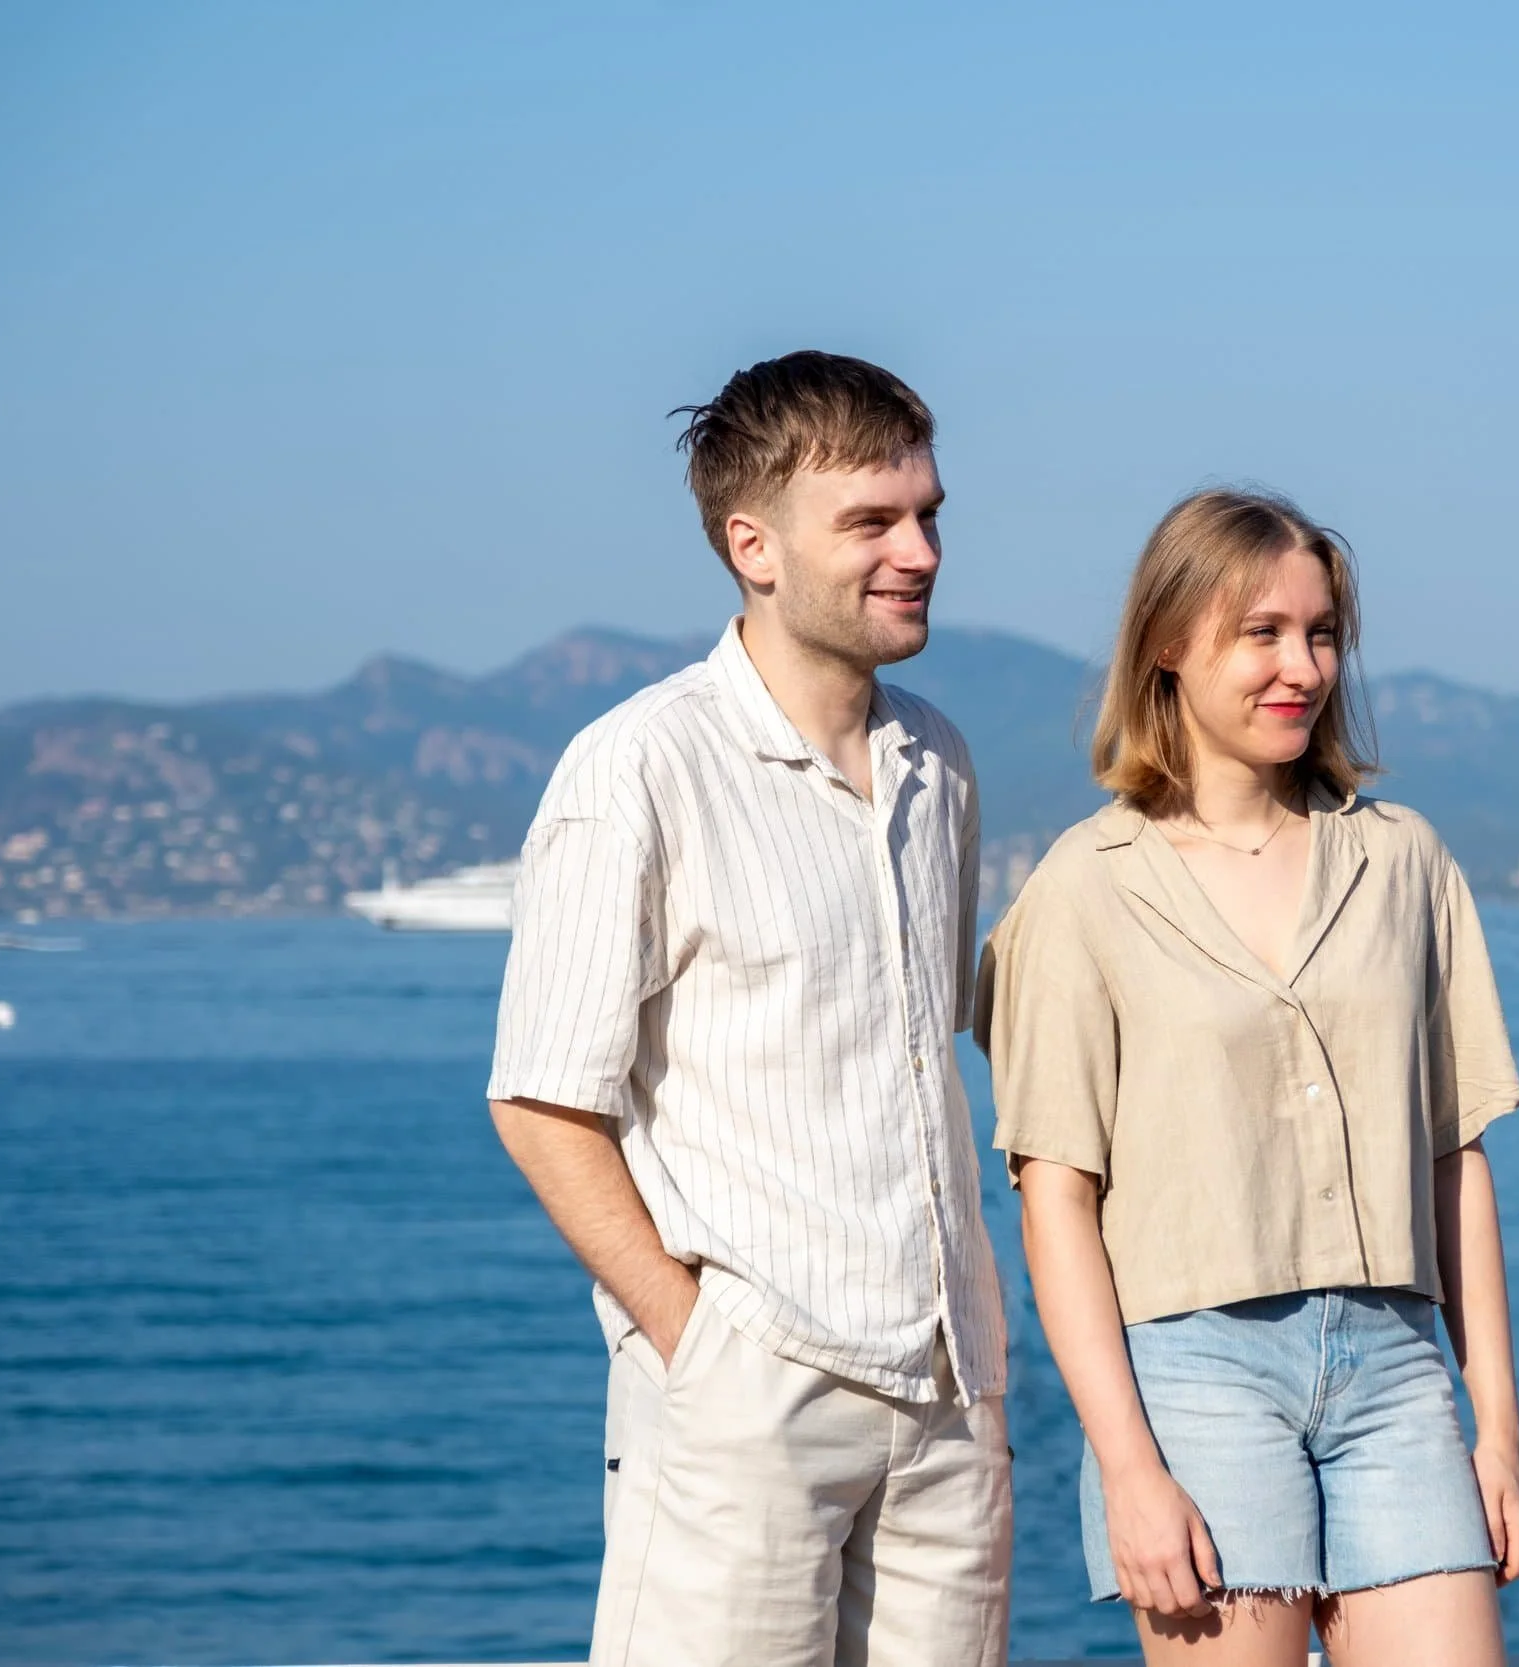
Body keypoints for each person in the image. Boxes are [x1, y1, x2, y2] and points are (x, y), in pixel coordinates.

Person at [487, 351, 1011, 1667]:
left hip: (948, 1394)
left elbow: (931, 1034)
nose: (921, 549)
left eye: (929, 512)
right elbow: (543, 1101)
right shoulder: (639, 768)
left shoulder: (936, 760)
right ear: (752, 543)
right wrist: (696, 1340)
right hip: (751, 1388)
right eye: (873, 521)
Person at [976, 489, 1519, 1666]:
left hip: (1394, 1365)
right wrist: (1129, 1468)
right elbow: (1054, 1197)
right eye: (1262, 632)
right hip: (1194, 1373)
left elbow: (1455, 1157)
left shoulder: (1402, 862)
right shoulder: (1084, 889)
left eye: (1321, 632)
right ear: (1169, 643)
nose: (1302, 666)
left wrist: (1495, 1431)